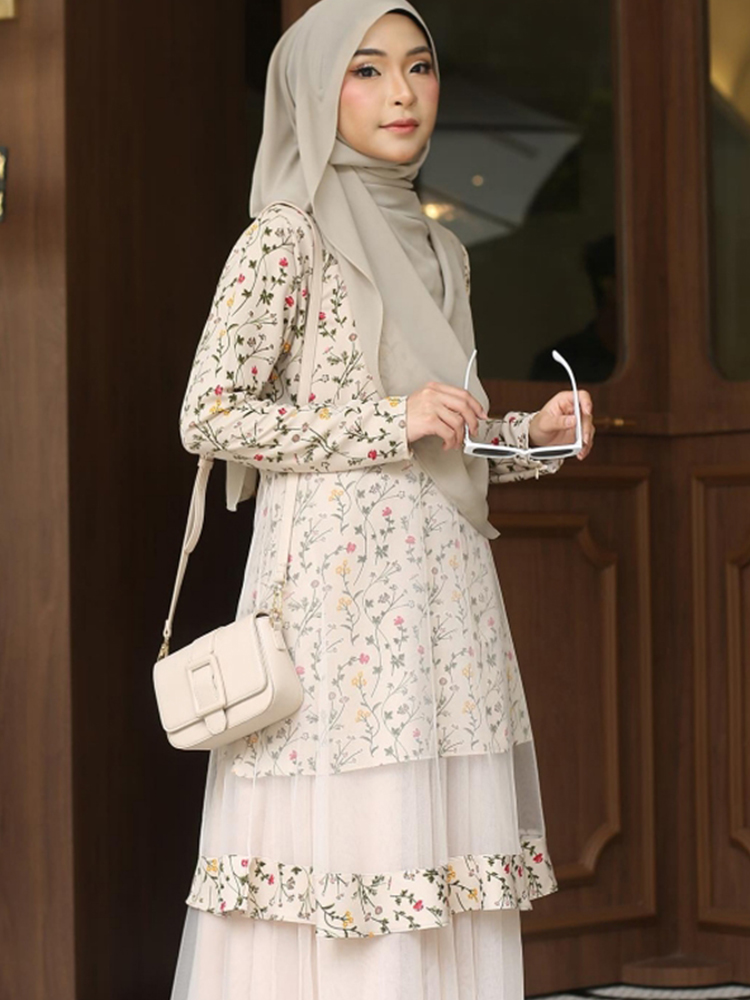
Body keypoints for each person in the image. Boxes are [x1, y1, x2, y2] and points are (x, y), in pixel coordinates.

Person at [169, 2, 595, 998]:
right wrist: (384, 419)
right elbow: (209, 415)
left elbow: (447, 437)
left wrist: (526, 436)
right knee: (352, 843)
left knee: (438, 844)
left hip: (444, 603)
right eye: (367, 69)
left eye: (418, 67)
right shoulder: (285, 239)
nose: (402, 93)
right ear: (318, 90)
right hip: (336, 605)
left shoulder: (443, 250)